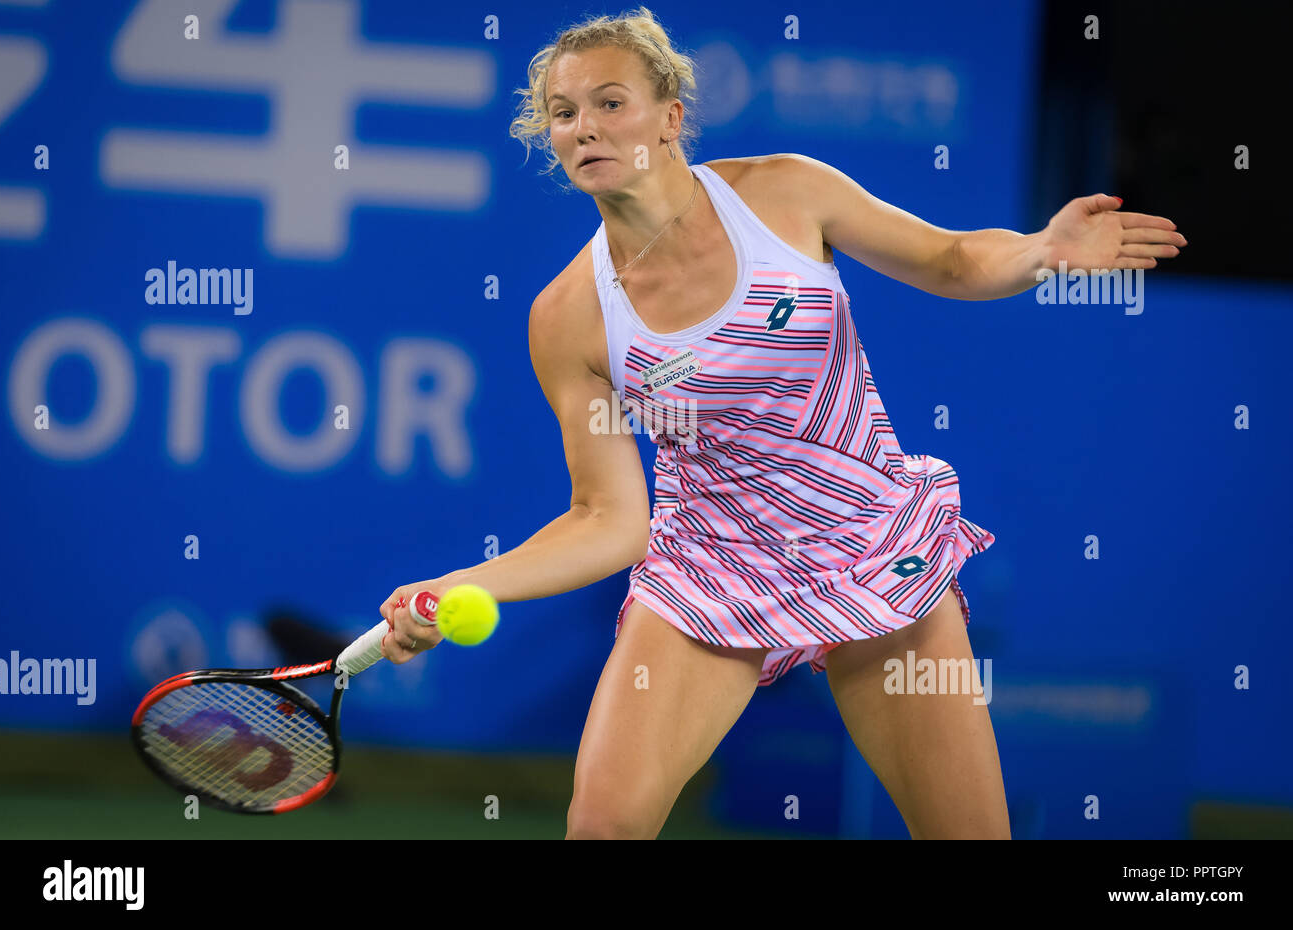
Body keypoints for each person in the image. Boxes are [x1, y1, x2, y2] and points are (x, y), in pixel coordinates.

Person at [377, 6, 1186, 840]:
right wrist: (461, 585)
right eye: (564, 112)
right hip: (709, 565)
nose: (586, 127)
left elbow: (948, 259)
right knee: (604, 827)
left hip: (870, 537)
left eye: (611, 102)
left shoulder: (784, 194)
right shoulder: (570, 317)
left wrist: (1039, 250)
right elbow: (608, 520)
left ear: (671, 115)